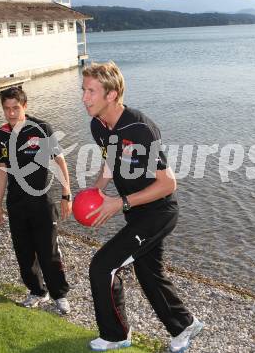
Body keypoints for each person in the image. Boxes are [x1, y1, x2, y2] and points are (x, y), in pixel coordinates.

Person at [81, 62, 203, 352]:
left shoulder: (139, 128)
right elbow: (112, 162)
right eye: (83, 90)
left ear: (111, 95)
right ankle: (184, 325)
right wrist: (96, 192)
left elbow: (168, 184)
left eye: (91, 91)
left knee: (103, 266)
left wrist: (119, 203)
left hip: (160, 212)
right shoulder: (97, 124)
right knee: (149, 274)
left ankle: (116, 334)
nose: (84, 97)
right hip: (136, 212)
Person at [0, 86, 72, 314]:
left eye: (15, 108)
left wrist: (67, 194)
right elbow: (1, 169)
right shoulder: (1, 135)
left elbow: (59, 161)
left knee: (49, 251)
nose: (11, 113)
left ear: (25, 106)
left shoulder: (42, 129)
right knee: (24, 252)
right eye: (6, 109)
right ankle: (37, 291)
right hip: (16, 203)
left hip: (42, 202)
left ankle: (60, 295)